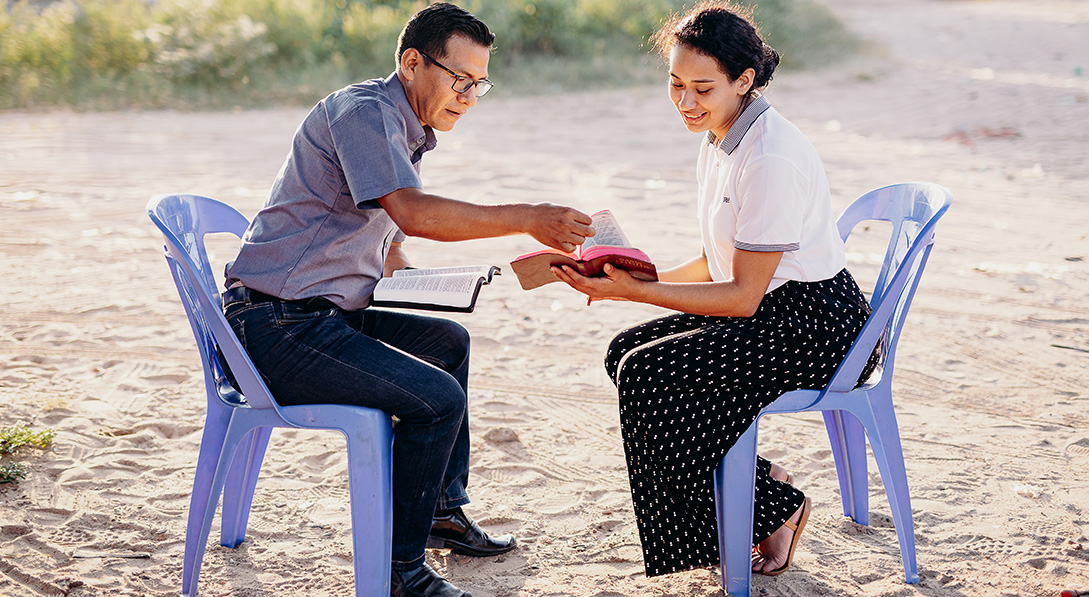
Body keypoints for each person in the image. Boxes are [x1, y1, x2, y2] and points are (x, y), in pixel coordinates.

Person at [220, 3, 594, 596]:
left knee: (448, 343)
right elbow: (413, 214)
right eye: (459, 79)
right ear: (412, 62)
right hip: (275, 322)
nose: (469, 95)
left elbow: (388, 238)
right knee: (437, 401)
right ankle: (398, 573)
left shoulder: (404, 126)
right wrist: (527, 218)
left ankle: (442, 511)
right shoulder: (365, 112)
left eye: (479, 83)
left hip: (320, 311)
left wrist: (419, 282)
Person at [551, 0, 879, 582]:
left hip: (815, 326)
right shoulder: (723, 136)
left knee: (651, 375)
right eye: (675, 84)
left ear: (744, 80)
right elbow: (714, 260)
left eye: (702, 88)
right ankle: (760, 484)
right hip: (771, 308)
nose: (685, 101)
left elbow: (741, 297)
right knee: (624, 355)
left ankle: (772, 510)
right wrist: (633, 277)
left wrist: (635, 292)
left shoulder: (770, 156)